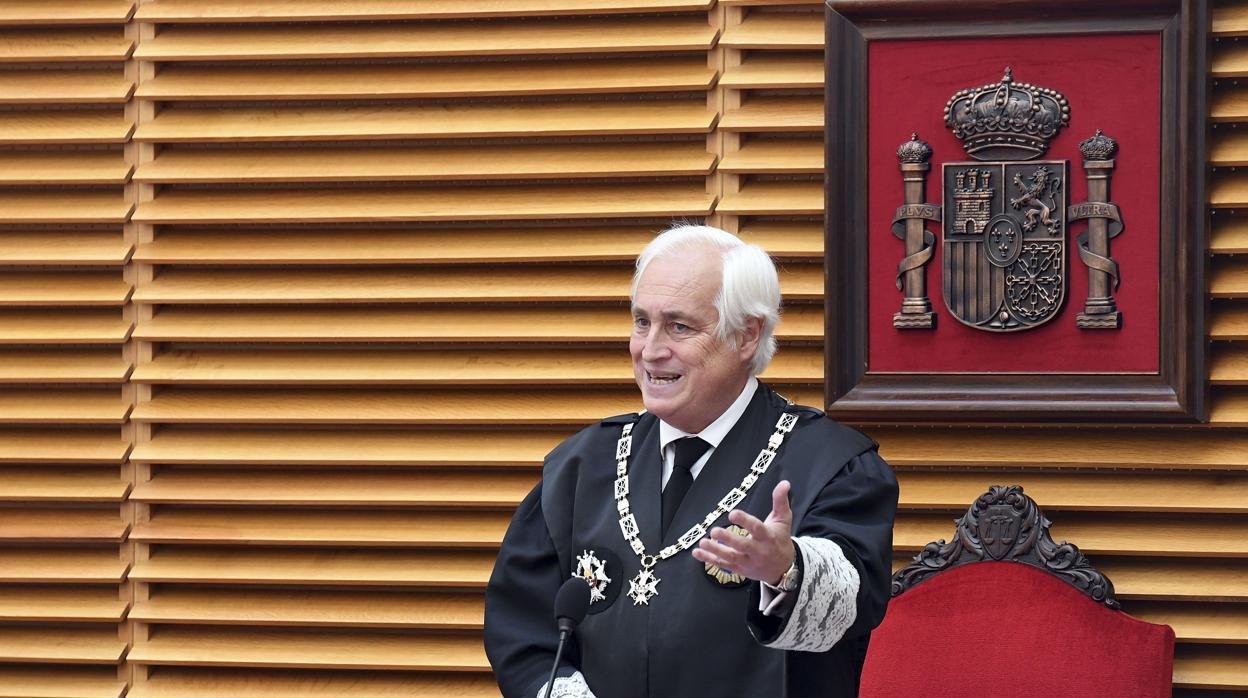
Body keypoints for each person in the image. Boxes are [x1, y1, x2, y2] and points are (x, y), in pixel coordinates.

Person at [484, 224, 898, 698]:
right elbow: (523, 631)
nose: (651, 350)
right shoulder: (579, 466)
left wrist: (790, 569)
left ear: (746, 335)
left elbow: (854, 606)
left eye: (679, 326)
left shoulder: (832, 464)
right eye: (642, 322)